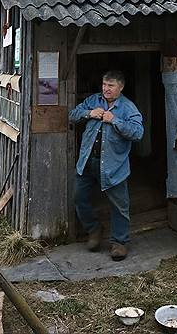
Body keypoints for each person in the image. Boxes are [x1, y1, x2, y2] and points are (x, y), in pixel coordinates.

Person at [68, 70, 143, 261]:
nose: (105, 89)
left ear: (121, 87)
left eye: (110, 86)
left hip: (113, 166)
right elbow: (72, 115)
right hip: (87, 162)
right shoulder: (94, 100)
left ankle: (119, 242)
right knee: (79, 198)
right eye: (104, 85)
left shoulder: (128, 108)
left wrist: (115, 120)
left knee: (119, 205)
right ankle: (94, 229)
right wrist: (88, 113)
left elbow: (138, 133)